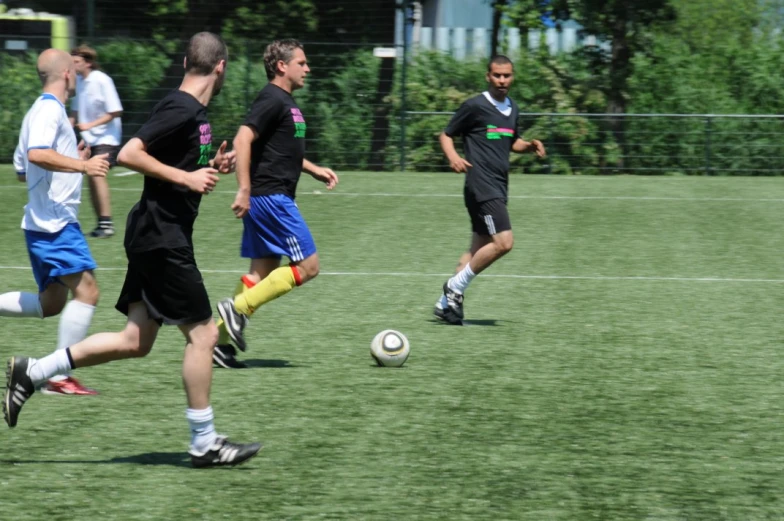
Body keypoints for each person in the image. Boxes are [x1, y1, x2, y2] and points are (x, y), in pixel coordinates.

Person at [3, 32, 261, 469]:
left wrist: (210, 166)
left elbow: (175, 164)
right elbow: (129, 152)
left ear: (185, 60)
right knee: (205, 335)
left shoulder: (195, 113)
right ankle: (204, 442)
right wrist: (186, 179)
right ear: (220, 68)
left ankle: (34, 372)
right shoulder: (180, 107)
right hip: (162, 238)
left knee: (135, 341)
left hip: (154, 233)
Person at [212, 39, 338, 369]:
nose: (307, 69)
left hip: (267, 195)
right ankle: (237, 309)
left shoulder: (284, 101)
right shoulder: (272, 98)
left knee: (261, 272)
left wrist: (312, 169)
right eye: (302, 63)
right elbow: (243, 137)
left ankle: (220, 345)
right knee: (308, 266)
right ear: (282, 66)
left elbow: (277, 148)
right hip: (271, 197)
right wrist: (242, 187)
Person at [0, 49, 109, 395]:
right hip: (54, 225)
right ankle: (58, 379)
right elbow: (36, 155)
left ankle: (57, 378)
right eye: (74, 70)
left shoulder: (38, 111)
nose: (77, 75)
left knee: (52, 304)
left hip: (40, 222)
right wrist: (83, 166)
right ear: (65, 74)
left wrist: (71, 158)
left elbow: (22, 171)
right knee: (88, 293)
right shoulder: (49, 110)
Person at [434, 55, 546, 325]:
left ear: (513, 76)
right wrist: (453, 157)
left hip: (498, 184)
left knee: (478, 249)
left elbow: (511, 141)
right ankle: (454, 289)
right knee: (504, 242)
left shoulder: (512, 108)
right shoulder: (475, 105)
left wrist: (529, 145)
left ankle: (443, 305)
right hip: (480, 184)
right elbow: (446, 134)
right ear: (488, 76)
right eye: (497, 75)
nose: (502, 80)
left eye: (507, 75)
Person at [69, 45, 123, 239]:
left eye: (76, 62)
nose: (72, 65)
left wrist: (90, 124)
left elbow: (115, 111)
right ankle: (102, 223)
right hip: (90, 139)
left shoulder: (102, 80)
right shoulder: (79, 82)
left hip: (107, 138)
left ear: (88, 62)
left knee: (97, 175)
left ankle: (107, 223)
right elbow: (75, 111)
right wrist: (67, 126)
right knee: (91, 178)